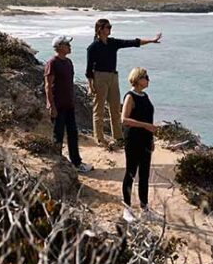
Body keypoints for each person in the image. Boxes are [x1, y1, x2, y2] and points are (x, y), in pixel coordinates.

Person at [85, 19, 162, 148]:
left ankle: (119, 138)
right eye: (107, 27)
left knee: (115, 109)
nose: (110, 29)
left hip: (113, 77)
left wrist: (151, 41)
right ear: (100, 29)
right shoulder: (93, 47)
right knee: (98, 110)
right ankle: (99, 139)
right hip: (99, 77)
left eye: (110, 27)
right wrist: (91, 84)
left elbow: (132, 42)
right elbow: (88, 69)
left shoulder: (112, 42)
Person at [44, 35, 93, 174]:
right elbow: (47, 86)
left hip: (69, 105)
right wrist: (51, 106)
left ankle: (76, 163)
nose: (70, 47)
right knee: (57, 135)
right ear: (59, 46)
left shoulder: (69, 62)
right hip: (58, 105)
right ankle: (57, 162)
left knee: (73, 134)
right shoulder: (52, 63)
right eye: (67, 44)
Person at [121, 66, 159, 222]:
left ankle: (145, 207)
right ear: (138, 79)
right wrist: (145, 126)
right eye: (146, 76)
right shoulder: (130, 96)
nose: (148, 79)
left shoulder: (145, 96)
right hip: (133, 139)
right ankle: (127, 208)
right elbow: (124, 119)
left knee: (144, 174)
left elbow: (148, 120)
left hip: (145, 140)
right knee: (131, 173)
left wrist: (151, 138)